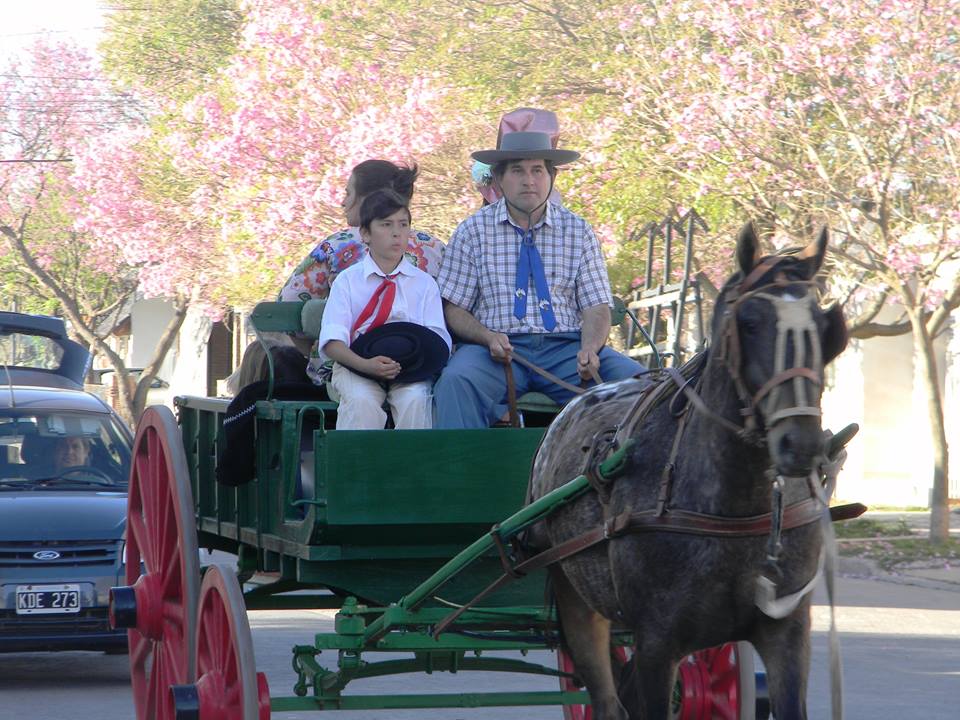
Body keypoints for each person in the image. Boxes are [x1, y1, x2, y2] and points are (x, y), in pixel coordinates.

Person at [434, 130, 645, 429]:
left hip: (567, 350)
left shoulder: (578, 231)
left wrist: (590, 348)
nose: (529, 180)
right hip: (495, 351)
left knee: (638, 384)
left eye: (537, 170)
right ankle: (460, 473)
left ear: (551, 177)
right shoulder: (472, 232)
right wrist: (487, 337)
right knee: (455, 382)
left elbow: (596, 306)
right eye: (518, 170)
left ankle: (625, 474)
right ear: (498, 177)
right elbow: (453, 308)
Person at [279, 160, 444, 386]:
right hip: (422, 364)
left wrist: (320, 349)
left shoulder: (337, 245)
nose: (343, 202)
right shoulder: (435, 248)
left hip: (350, 363)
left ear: (369, 198)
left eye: (348, 193)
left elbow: (288, 303)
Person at [318, 190, 451, 430]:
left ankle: (409, 467)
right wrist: (365, 365)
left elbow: (438, 338)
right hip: (356, 364)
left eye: (403, 224)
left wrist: (415, 365)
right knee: (361, 401)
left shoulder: (424, 284)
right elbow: (332, 342)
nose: (396, 233)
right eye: (386, 225)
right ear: (366, 234)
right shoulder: (348, 281)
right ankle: (359, 467)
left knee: (415, 400)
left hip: (410, 368)